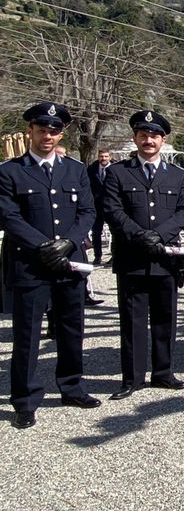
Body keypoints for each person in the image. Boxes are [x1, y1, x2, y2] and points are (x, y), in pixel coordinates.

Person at [0, 102, 99, 429]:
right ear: (30, 130)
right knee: (27, 336)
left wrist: (68, 243)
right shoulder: (10, 171)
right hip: (31, 264)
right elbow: (9, 216)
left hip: (69, 262)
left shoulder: (75, 169)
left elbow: (87, 213)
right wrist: (43, 246)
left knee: (72, 329)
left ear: (61, 133)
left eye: (54, 130)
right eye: (41, 129)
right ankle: (25, 400)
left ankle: (71, 386)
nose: (47, 135)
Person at [102, 110, 184, 400]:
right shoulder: (118, 172)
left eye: (154, 135)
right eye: (143, 135)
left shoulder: (179, 176)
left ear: (163, 140)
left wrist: (159, 235)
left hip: (165, 258)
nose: (149, 140)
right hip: (133, 257)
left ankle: (163, 373)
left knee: (166, 318)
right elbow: (112, 211)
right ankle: (132, 378)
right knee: (133, 320)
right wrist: (140, 236)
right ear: (135, 138)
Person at [86, 148, 112, 266]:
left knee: (115, 232)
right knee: (96, 232)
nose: (103, 159)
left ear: (110, 157)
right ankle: (97, 256)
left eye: (106, 156)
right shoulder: (91, 169)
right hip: (96, 205)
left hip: (111, 205)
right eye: (101, 156)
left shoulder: (115, 169)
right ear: (98, 157)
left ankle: (114, 256)